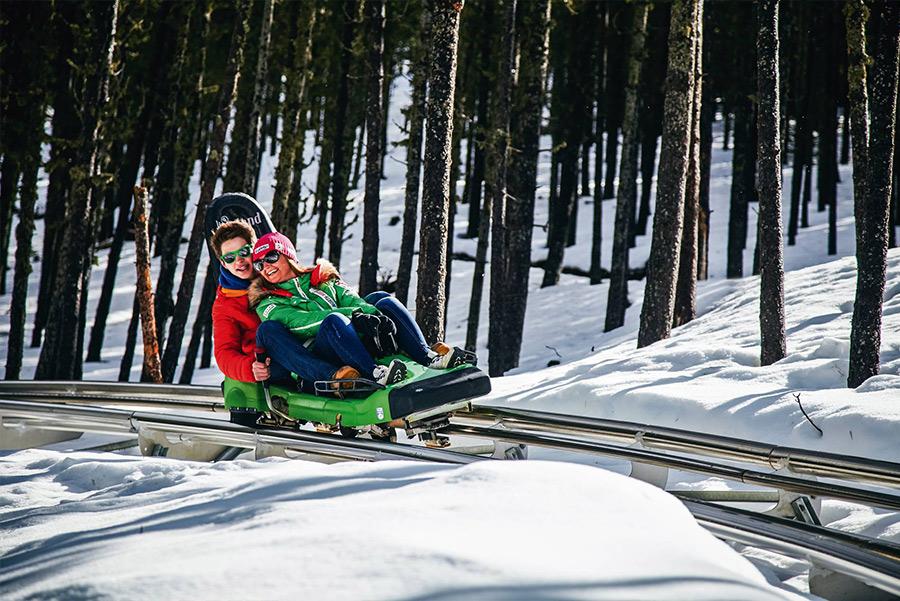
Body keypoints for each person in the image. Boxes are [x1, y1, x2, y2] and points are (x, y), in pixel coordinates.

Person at [248, 232, 470, 387]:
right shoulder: (267, 302)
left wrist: (374, 317)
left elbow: (351, 299)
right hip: (321, 351)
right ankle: (374, 373)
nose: (266, 267)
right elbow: (300, 323)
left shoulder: (321, 278)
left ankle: (428, 357)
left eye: (271, 257)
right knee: (333, 320)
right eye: (259, 265)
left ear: (287, 254)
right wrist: (353, 317)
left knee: (382, 300)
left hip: (351, 341)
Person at [209, 221, 351, 419]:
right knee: (270, 329)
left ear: (254, 249)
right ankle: (333, 379)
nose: (239, 261)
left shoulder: (275, 274)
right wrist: (250, 368)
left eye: (244, 252)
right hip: (272, 362)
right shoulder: (226, 304)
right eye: (230, 258)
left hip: (308, 343)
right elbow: (224, 353)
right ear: (223, 263)